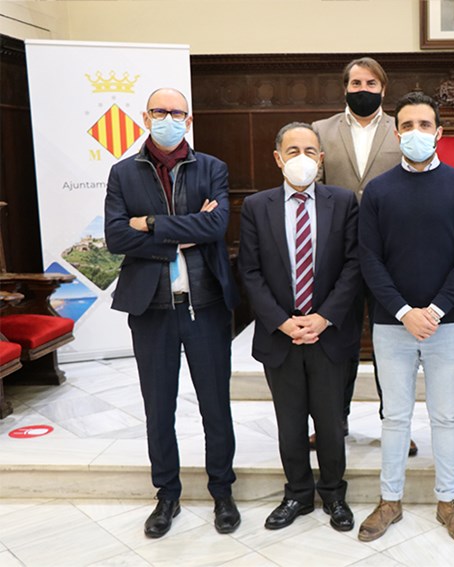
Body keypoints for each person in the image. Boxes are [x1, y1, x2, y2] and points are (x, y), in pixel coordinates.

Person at [104, 87, 241, 538]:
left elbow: (216, 225)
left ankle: (222, 492)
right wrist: (182, 234)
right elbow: (116, 237)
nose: (168, 118)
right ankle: (167, 495)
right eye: (159, 111)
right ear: (145, 117)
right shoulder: (123, 173)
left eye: (176, 112)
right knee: (158, 408)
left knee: (215, 406)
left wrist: (150, 224)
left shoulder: (211, 168)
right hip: (151, 308)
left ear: (189, 119)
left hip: (206, 303)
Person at [357, 92, 454, 544]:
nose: (416, 132)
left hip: (447, 324)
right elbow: (369, 259)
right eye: (407, 125)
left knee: (445, 416)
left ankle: (447, 501)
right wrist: (403, 311)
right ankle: (389, 500)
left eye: (424, 125)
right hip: (391, 324)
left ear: (439, 132)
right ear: (397, 134)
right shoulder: (378, 190)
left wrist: (433, 310)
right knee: (395, 417)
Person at [238, 122, 360, 532]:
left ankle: (334, 494)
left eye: (310, 151)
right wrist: (282, 322)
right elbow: (250, 271)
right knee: (290, 424)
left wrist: (324, 317)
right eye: (293, 151)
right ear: (278, 159)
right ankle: (297, 494)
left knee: (330, 423)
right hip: (281, 335)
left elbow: (353, 265)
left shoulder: (343, 202)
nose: (302, 158)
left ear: (321, 159)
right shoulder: (257, 206)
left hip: (329, 333)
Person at [312, 58, 418, 456]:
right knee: (337, 343)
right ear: (345, 87)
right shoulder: (320, 131)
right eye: (356, 83)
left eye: (371, 83)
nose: (363, 89)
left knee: (391, 347)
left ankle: (396, 424)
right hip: (336, 255)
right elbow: (314, 190)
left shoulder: (401, 129)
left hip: (390, 255)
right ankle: (333, 421)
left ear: (383, 89)